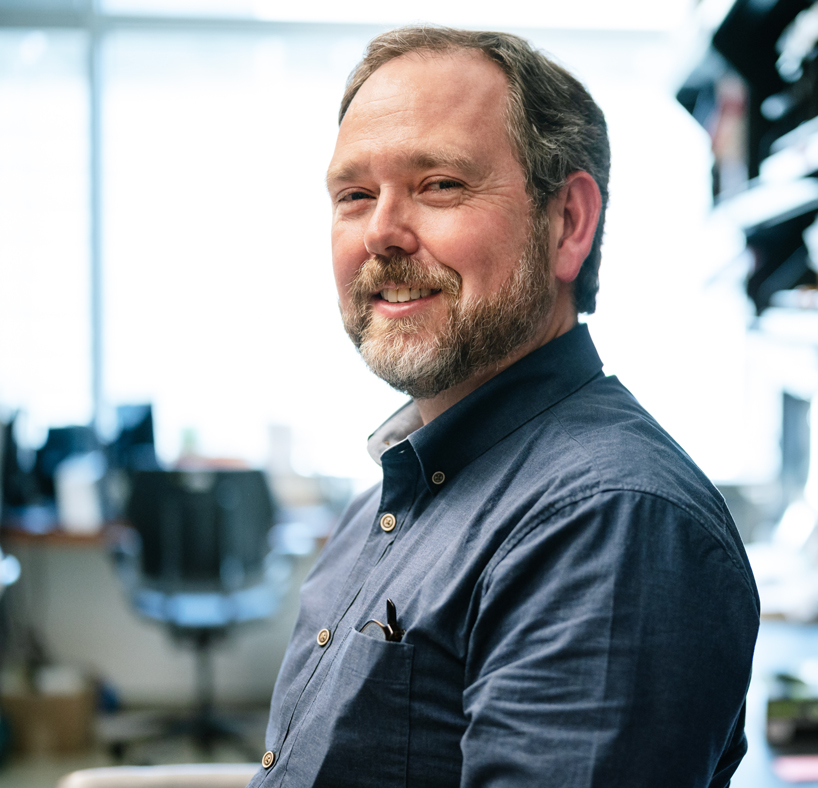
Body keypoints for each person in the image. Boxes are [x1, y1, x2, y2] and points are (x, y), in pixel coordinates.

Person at [249, 27, 759, 788]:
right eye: (354, 196)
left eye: (440, 184)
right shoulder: (393, 493)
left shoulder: (608, 522)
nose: (381, 232)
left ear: (568, 225)